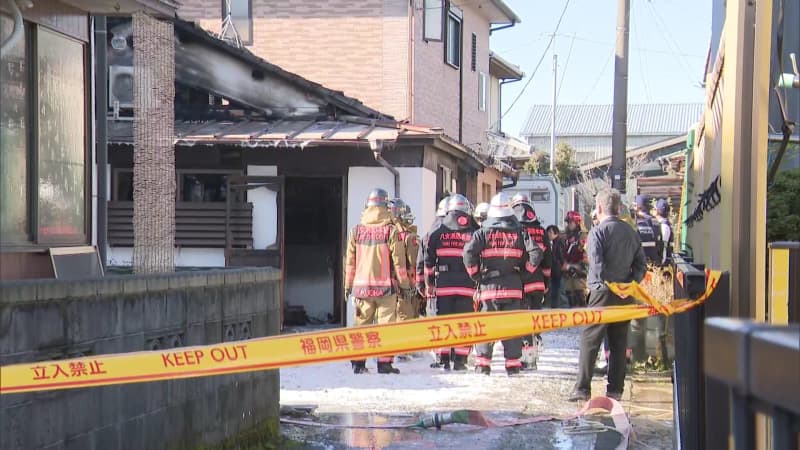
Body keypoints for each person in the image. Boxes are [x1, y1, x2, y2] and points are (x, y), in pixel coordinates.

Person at [568, 188, 647, 402]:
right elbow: (642, 265)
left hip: (601, 292)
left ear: (600, 208)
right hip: (625, 294)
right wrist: (629, 285)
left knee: (590, 339)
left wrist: (607, 284)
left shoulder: (597, 232)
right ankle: (615, 390)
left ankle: (582, 389)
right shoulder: (631, 232)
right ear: (619, 208)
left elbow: (597, 264)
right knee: (619, 341)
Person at [464, 192, 544, 376]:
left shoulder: (482, 233)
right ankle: (513, 365)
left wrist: (475, 275)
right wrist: (524, 274)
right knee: (512, 326)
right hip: (513, 287)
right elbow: (536, 253)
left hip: (489, 287)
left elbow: (468, 253)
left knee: (486, 326)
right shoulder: (520, 232)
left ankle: (483, 365)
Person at [344, 188, 412, 374]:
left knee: (361, 326)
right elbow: (399, 263)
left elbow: (349, 262)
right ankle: (384, 363)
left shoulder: (356, 231)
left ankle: (358, 363)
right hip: (385, 290)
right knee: (386, 328)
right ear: (385, 207)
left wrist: (347, 286)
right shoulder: (390, 231)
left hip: (361, 290)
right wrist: (405, 286)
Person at [423, 194, 479, 371]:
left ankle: (443, 359)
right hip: (467, 285)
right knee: (464, 323)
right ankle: (460, 361)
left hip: (444, 284)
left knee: (443, 322)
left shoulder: (437, 230)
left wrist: (429, 283)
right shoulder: (474, 231)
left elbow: (428, 260)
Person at [511, 193, 552, 370]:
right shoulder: (541, 231)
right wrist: (546, 283)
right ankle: (533, 355)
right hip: (539, 283)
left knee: (523, 322)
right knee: (534, 320)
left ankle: (528, 358)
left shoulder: (517, 229)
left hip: (523, 282)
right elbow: (548, 261)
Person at [417, 196, 449, 368]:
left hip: (434, 285)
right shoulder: (459, 232)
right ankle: (455, 356)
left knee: (436, 321)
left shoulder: (429, 235)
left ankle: (440, 356)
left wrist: (421, 285)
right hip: (452, 284)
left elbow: (421, 263)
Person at [389, 198, 422, 321]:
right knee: (407, 321)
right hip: (405, 287)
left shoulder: (383, 234)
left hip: (384, 289)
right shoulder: (410, 237)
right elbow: (415, 262)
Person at [563, 211, 588, 308]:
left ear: (577, 222)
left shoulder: (582, 236)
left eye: (571, 222)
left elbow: (586, 255)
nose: (569, 224)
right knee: (570, 298)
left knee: (580, 298)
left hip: (580, 273)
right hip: (569, 274)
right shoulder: (568, 237)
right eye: (568, 222)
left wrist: (573, 266)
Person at [633, 195, 661, 264]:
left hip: (639, 263)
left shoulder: (635, 222)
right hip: (654, 261)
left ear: (638, 206)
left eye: (634, 205)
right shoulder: (655, 221)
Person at [546, 225, 565, 309]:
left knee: (557, 293)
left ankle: (555, 310)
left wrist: (558, 267)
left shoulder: (559, 242)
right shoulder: (553, 243)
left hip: (558, 272)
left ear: (556, 233)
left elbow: (561, 257)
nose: (548, 234)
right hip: (554, 272)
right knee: (554, 293)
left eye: (550, 232)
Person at [654, 199, 673, 266]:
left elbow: (663, 247)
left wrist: (661, 263)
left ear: (657, 211)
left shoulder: (664, 226)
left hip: (662, 263)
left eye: (655, 209)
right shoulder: (665, 224)